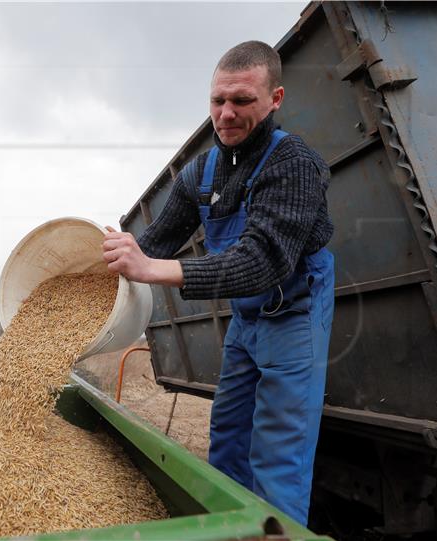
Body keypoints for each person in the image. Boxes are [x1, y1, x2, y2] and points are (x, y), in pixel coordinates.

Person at [102, 40, 334, 525]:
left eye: (242, 101)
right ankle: (229, 532)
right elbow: (156, 243)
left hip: (294, 314)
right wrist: (110, 267)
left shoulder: (294, 165)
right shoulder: (202, 171)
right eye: (217, 101)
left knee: (277, 457)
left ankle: (278, 532)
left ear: (275, 99)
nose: (226, 114)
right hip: (247, 319)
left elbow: (262, 261)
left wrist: (151, 269)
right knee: (227, 438)